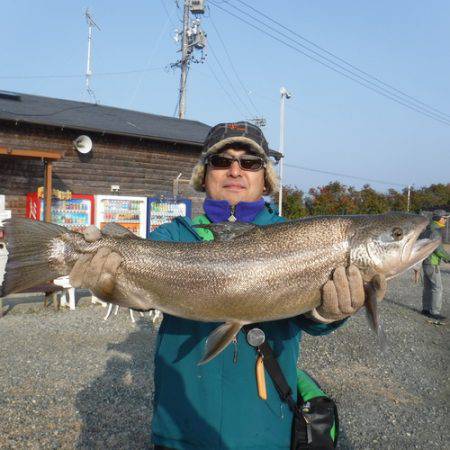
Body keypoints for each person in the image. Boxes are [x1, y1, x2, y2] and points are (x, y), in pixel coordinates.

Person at [70, 121, 385, 450]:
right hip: (179, 427)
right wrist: (107, 284)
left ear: (265, 179)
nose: (235, 170)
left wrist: (329, 314)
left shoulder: (298, 237)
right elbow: (139, 296)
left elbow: (313, 320)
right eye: (221, 161)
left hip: (264, 430)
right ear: (204, 175)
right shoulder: (172, 237)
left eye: (250, 162)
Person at [421, 209, 450, 321]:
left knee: (428, 286)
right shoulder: (435, 231)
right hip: (432, 262)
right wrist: (448, 258)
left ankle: (426, 309)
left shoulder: (427, 229)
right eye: (444, 218)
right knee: (437, 288)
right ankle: (434, 311)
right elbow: (438, 249)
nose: (445, 220)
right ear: (439, 219)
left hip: (425, 261)